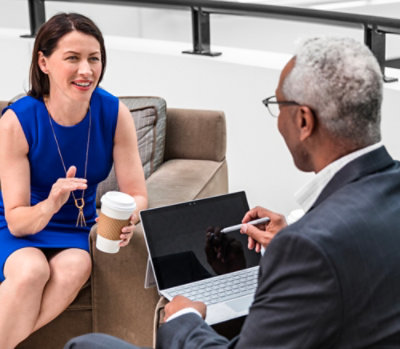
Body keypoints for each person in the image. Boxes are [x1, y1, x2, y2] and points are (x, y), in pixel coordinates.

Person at [64, 36, 400, 349]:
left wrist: (183, 319)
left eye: (277, 104)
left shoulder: (309, 247)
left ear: (303, 120)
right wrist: (290, 240)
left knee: (86, 345)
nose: (277, 120)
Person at [0, 13, 147, 349]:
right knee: (31, 272)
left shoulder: (114, 113)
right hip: (16, 223)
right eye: (73, 58)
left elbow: (137, 194)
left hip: (77, 225)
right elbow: (17, 219)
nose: (87, 70)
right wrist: (51, 203)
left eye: (94, 58)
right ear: (44, 62)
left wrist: (129, 217)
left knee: (77, 264)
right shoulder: (16, 122)